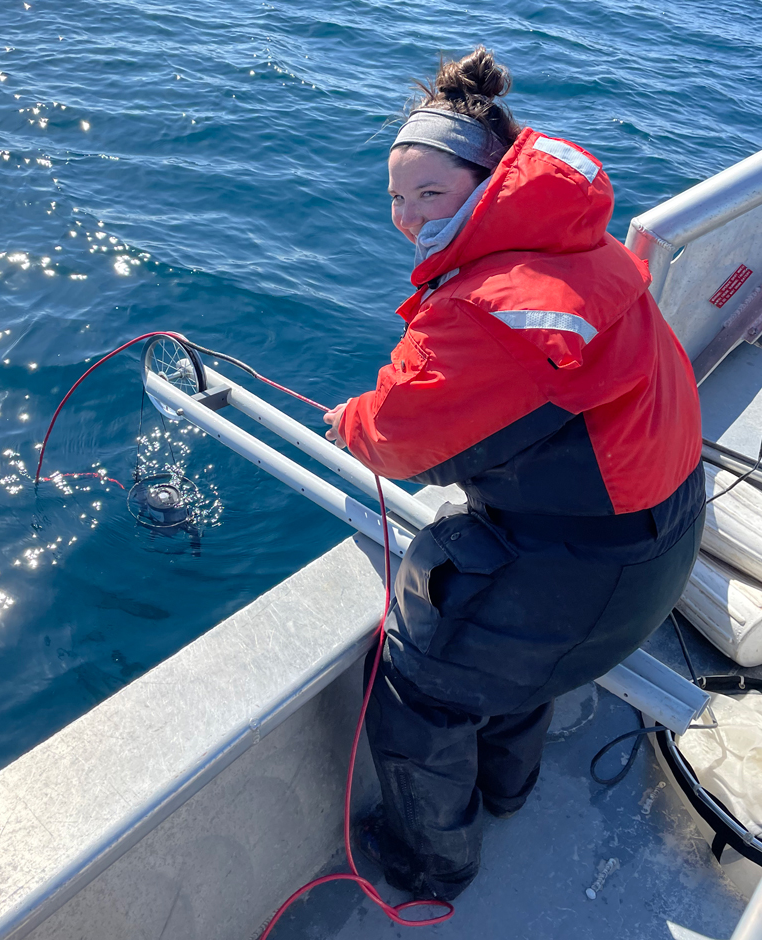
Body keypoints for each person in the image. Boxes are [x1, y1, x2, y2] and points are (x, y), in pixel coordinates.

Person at [323, 46, 705, 904]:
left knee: (418, 690)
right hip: (659, 533)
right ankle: (508, 787)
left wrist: (345, 422)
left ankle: (433, 866)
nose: (411, 217)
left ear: (488, 177)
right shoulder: (573, 240)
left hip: (599, 575)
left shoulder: (483, 309)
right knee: (502, 654)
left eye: (432, 194)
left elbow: (393, 440)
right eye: (397, 198)